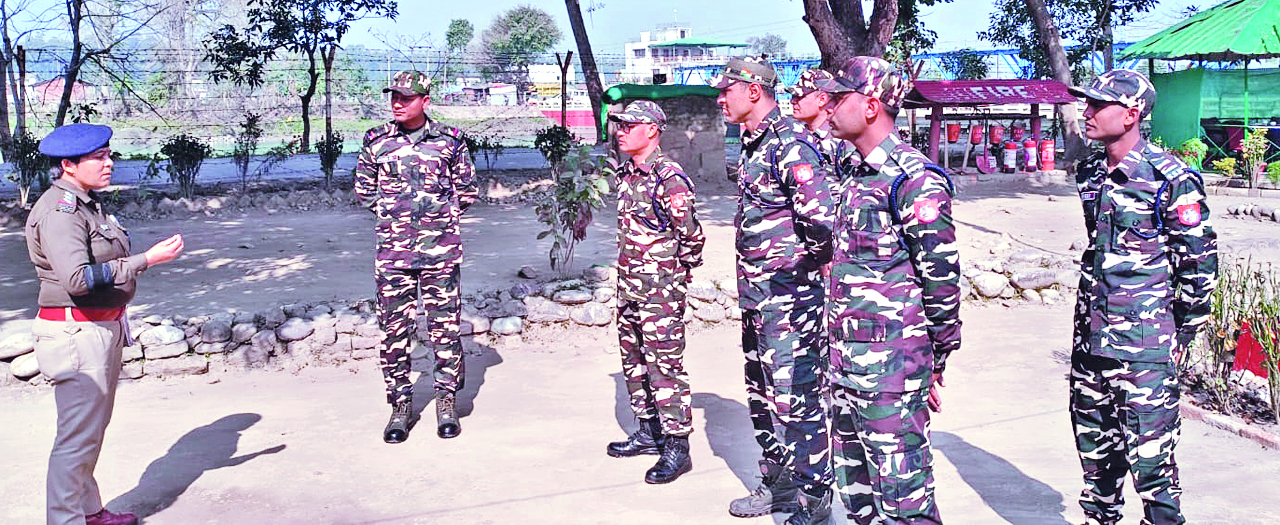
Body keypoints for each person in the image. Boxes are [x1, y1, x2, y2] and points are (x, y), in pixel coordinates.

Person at [1067, 69, 1217, 525]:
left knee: (1154, 474)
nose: (1087, 112)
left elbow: (1198, 267)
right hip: (1091, 344)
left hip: (1145, 350)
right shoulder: (1090, 172)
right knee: (1096, 472)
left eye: (1098, 105)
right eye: (1087, 103)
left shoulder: (1170, 178)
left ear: (1131, 115)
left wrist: (1179, 334)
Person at [816, 56, 961, 525]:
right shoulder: (851, 171)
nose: (828, 107)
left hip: (893, 367)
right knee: (857, 491)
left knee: (903, 497)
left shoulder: (913, 180)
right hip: (846, 362)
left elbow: (941, 281)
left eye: (839, 98)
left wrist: (934, 359)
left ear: (871, 105)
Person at [26, 123, 185, 525]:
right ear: (68, 165)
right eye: (98, 157)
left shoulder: (86, 203)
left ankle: (89, 512)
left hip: (98, 329)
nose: (109, 163)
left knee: (90, 431)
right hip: (76, 333)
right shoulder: (60, 212)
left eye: (109, 155)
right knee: (76, 438)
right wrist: (145, 260)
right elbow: (77, 280)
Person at [713, 56, 835, 525]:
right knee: (762, 396)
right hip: (758, 296)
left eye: (726, 90)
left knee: (798, 400)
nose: (720, 99)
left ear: (753, 91)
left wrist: (800, 277)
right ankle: (780, 485)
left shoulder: (790, 145)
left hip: (789, 299)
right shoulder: (753, 144)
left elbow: (821, 223)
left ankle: (814, 501)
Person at [354, 70, 478, 443]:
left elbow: (467, 190)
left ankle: (446, 402)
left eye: (406, 98)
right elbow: (364, 190)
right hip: (393, 255)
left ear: (425, 101)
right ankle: (400, 405)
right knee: (394, 332)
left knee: (445, 329)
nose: (397, 103)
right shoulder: (376, 140)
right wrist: (396, 218)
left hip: (440, 252)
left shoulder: (450, 141)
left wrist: (437, 220)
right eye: (394, 96)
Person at [604, 100, 705, 484]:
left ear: (652, 130)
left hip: (659, 291)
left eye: (629, 125)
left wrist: (675, 275)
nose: (621, 131)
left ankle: (677, 445)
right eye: (619, 125)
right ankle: (648, 431)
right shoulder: (627, 173)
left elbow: (691, 235)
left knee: (665, 366)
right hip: (629, 286)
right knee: (633, 361)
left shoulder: (669, 177)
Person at [788, 68, 842, 165]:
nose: (792, 101)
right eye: (793, 96)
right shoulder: (796, 134)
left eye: (799, 96)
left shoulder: (841, 139)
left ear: (822, 99)